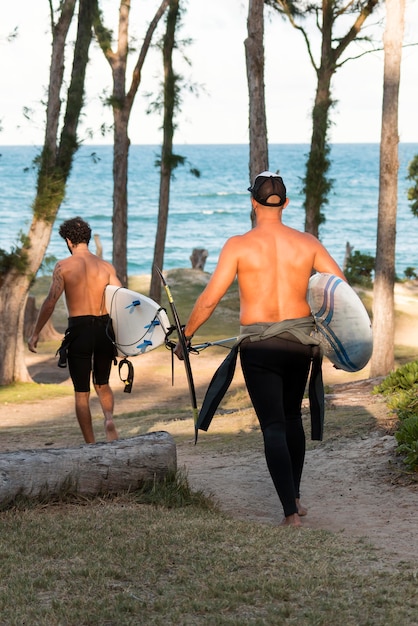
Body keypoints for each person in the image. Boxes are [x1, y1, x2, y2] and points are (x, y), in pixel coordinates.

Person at [176, 172, 346, 527]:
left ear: (253, 202)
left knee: (272, 425)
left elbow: (209, 300)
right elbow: (340, 288)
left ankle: (289, 514)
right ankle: (295, 500)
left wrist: (186, 335)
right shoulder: (307, 243)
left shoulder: (238, 245)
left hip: (259, 346)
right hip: (300, 345)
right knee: (291, 419)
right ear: (285, 203)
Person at [28, 217, 121, 444]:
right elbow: (120, 299)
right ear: (87, 239)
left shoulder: (63, 267)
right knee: (102, 383)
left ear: (69, 241)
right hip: (103, 329)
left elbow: (50, 301)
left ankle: (90, 443)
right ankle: (108, 418)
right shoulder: (106, 266)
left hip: (79, 331)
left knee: (82, 391)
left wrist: (35, 332)